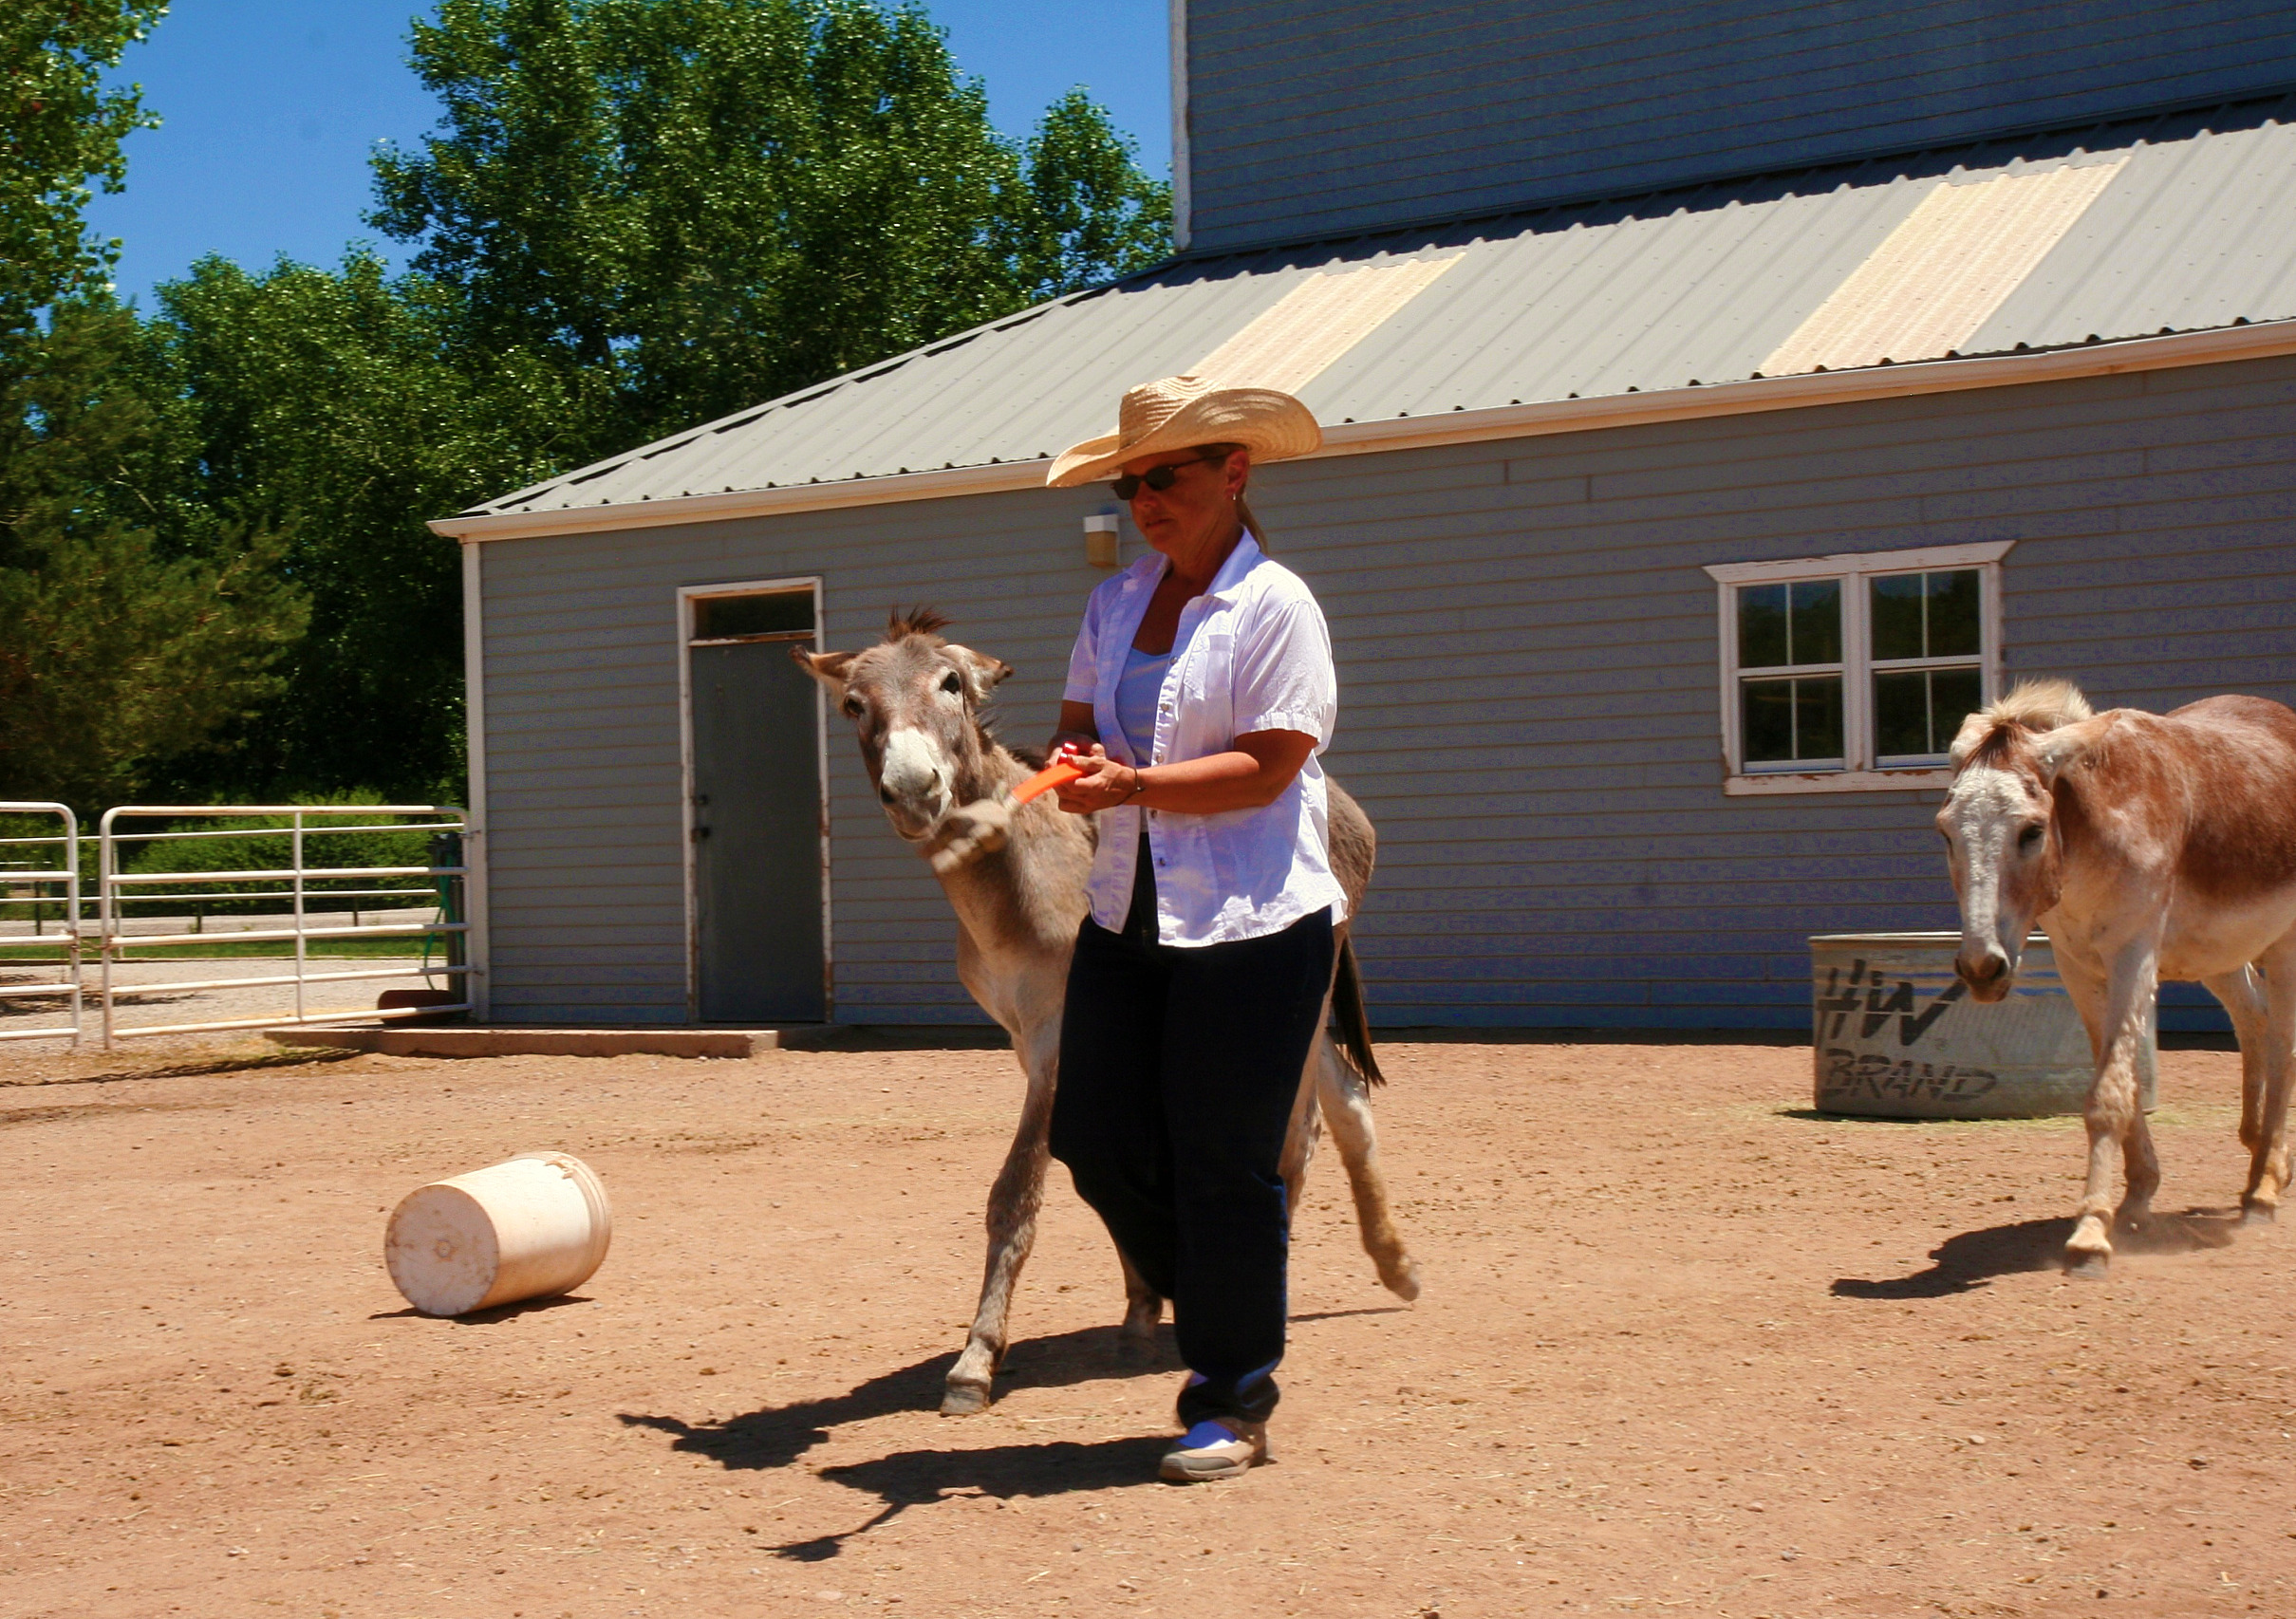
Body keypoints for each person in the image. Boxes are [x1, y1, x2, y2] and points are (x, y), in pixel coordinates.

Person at [1041, 374, 1347, 1482]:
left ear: (1234, 471)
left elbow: (1267, 767)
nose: (1145, 501)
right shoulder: (1114, 603)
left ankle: (1230, 1398)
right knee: (1092, 1134)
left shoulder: (1277, 605)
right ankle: (1227, 1283)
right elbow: (1077, 728)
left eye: (1165, 476)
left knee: (1224, 1159)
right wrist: (1075, 765)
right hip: (1125, 907)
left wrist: (1130, 785)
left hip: (1254, 921)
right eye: (1131, 484)